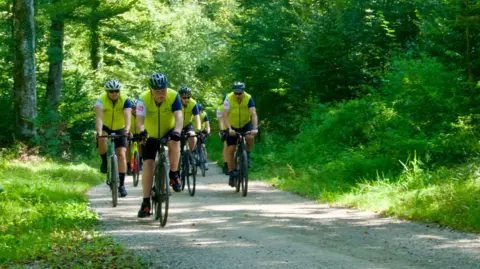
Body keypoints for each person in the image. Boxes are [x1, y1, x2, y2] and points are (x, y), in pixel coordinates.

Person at [136, 73, 183, 218]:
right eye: (157, 91)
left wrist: (177, 130)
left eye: (163, 90)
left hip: (168, 130)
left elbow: (179, 116)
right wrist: (142, 132)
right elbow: (139, 120)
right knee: (148, 164)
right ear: (151, 90)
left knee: (175, 141)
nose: (161, 94)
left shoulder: (174, 96)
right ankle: (145, 203)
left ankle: (174, 174)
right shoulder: (143, 99)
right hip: (150, 134)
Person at [95, 79, 132, 197]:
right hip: (106, 126)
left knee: (121, 154)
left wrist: (127, 129)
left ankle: (121, 185)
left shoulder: (125, 100)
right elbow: (99, 117)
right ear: (107, 92)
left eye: (116, 91)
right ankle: (104, 161)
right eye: (111, 91)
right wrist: (99, 132)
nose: (114, 93)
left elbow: (127, 116)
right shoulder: (101, 100)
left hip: (120, 127)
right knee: (102, 139)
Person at [223, 82, 258, 187]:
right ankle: (231, 172)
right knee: (231, 149)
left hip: (245, 123)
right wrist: (229, 128)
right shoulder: (228, 98)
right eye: (235, 93)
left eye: (240, 93)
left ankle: (247, 153)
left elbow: (253, 114)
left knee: (250, 136)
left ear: (243, 92)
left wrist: (255, 127)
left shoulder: (249, 98)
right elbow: (225, 115)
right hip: (232, 125)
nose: (237, 95)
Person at [178, 86, 202, 154]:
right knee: (178, 144)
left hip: (188, 124)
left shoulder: (193, 103)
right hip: (177, 125)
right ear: (180, 97)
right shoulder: (176, 102)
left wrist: (199, 129)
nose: (186, 99)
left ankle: (191, 154)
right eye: (184, 97)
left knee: (193, 136)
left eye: (188, 97)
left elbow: (197, 117)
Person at [126, 99, 142, 175]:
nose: (135, 110)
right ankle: (128, 165)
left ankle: (140, 161)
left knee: (142, 144)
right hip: (130, 133)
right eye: (133, 108)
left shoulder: (141, 115)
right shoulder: (127, 115)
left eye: (136, 108)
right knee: (127, 146)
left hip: (139, 134)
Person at [193, 103, 211, 169]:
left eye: (200, 110)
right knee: (193, 146)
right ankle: (193, 159)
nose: (199, 112)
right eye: (198, 110)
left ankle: (205, 161)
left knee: (203, 146)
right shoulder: (192, 115)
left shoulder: (204, 114)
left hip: (202, 130)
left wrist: (208, 132)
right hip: (193, 131)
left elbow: (207, 125)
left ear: (202, 110)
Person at [216, 96, 229, 175]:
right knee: (226, 145)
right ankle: (226, 164)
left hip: (235, 127)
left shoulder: (234, 106)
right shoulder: (220, 109)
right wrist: (222, 131)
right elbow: (220, 121)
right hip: (225, 129)